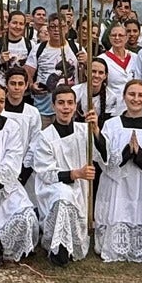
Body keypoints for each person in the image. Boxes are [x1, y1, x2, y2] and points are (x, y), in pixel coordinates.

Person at [94, 80, 142, 262]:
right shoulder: (112, 125)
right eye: (131, 94)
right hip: (117, 184)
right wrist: (126, 153)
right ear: (124, 96)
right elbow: (104, 157)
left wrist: (141, 155)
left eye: (141, 95)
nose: (136, 99)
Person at [32, 87, 95, 265]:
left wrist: (96, 130)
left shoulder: (84, 131)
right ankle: (58, 247)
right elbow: (45, 172)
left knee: (68, 195)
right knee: (62, 195)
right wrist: (76, 173)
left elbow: (103, 155)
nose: (65, 108)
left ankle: (72, 243)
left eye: (69, 103)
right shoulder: (45, 137)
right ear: (53, 106)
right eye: (61, 103)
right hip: (52, 187)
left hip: (80, 190)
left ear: (75, 106)